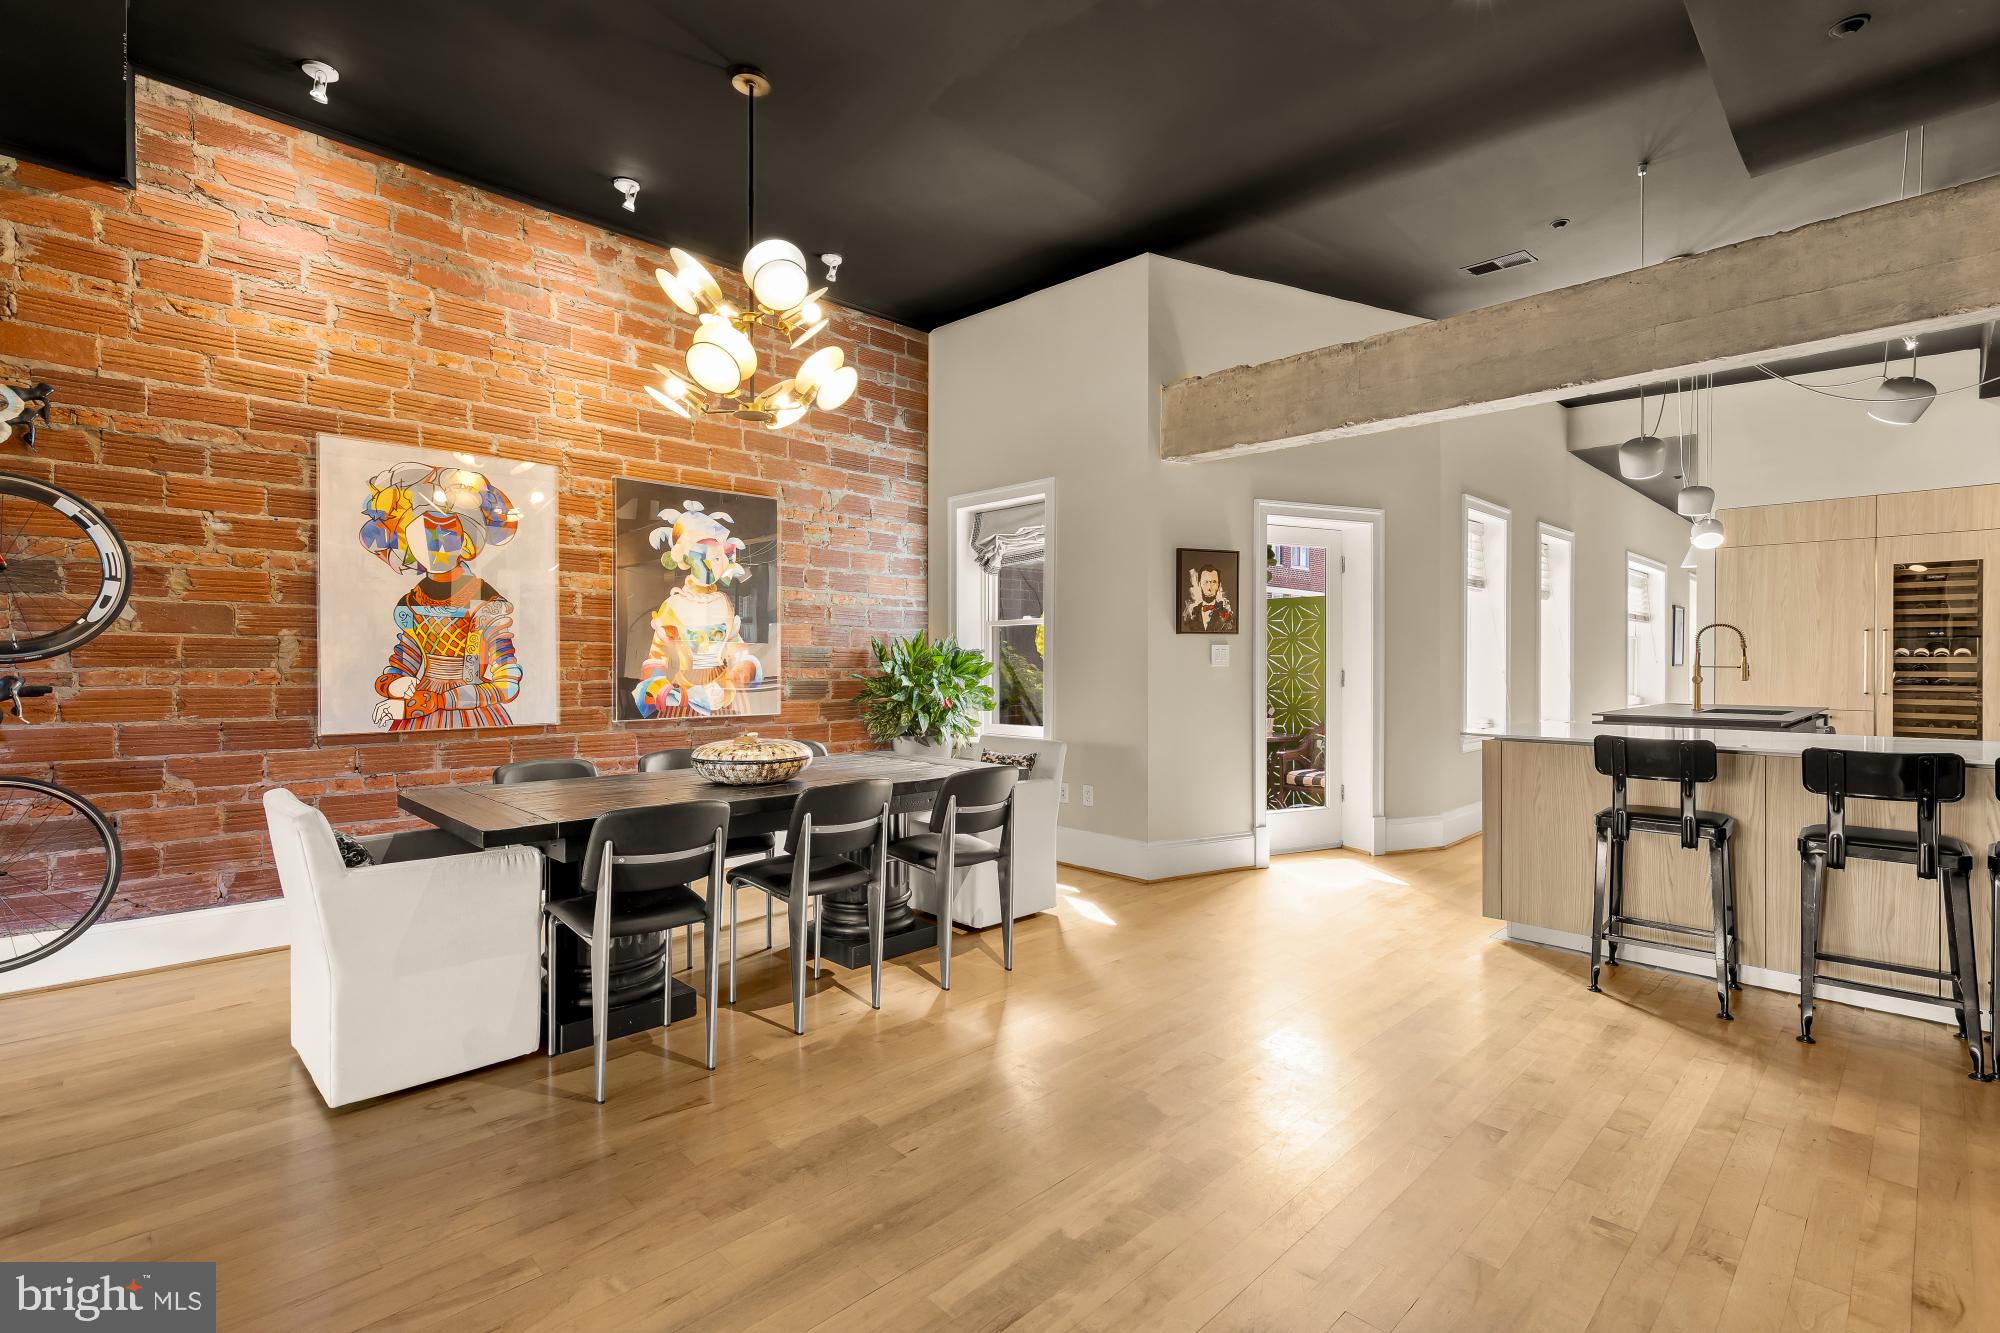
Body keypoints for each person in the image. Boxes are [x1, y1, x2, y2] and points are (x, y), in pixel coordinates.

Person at [1182, 563, 1234, 632]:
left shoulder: (1225, 613)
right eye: (1206, 582)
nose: (1209, 587)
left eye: (1214, 582)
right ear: (1199, 584)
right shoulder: (1192, 612)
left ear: (1219, 585)